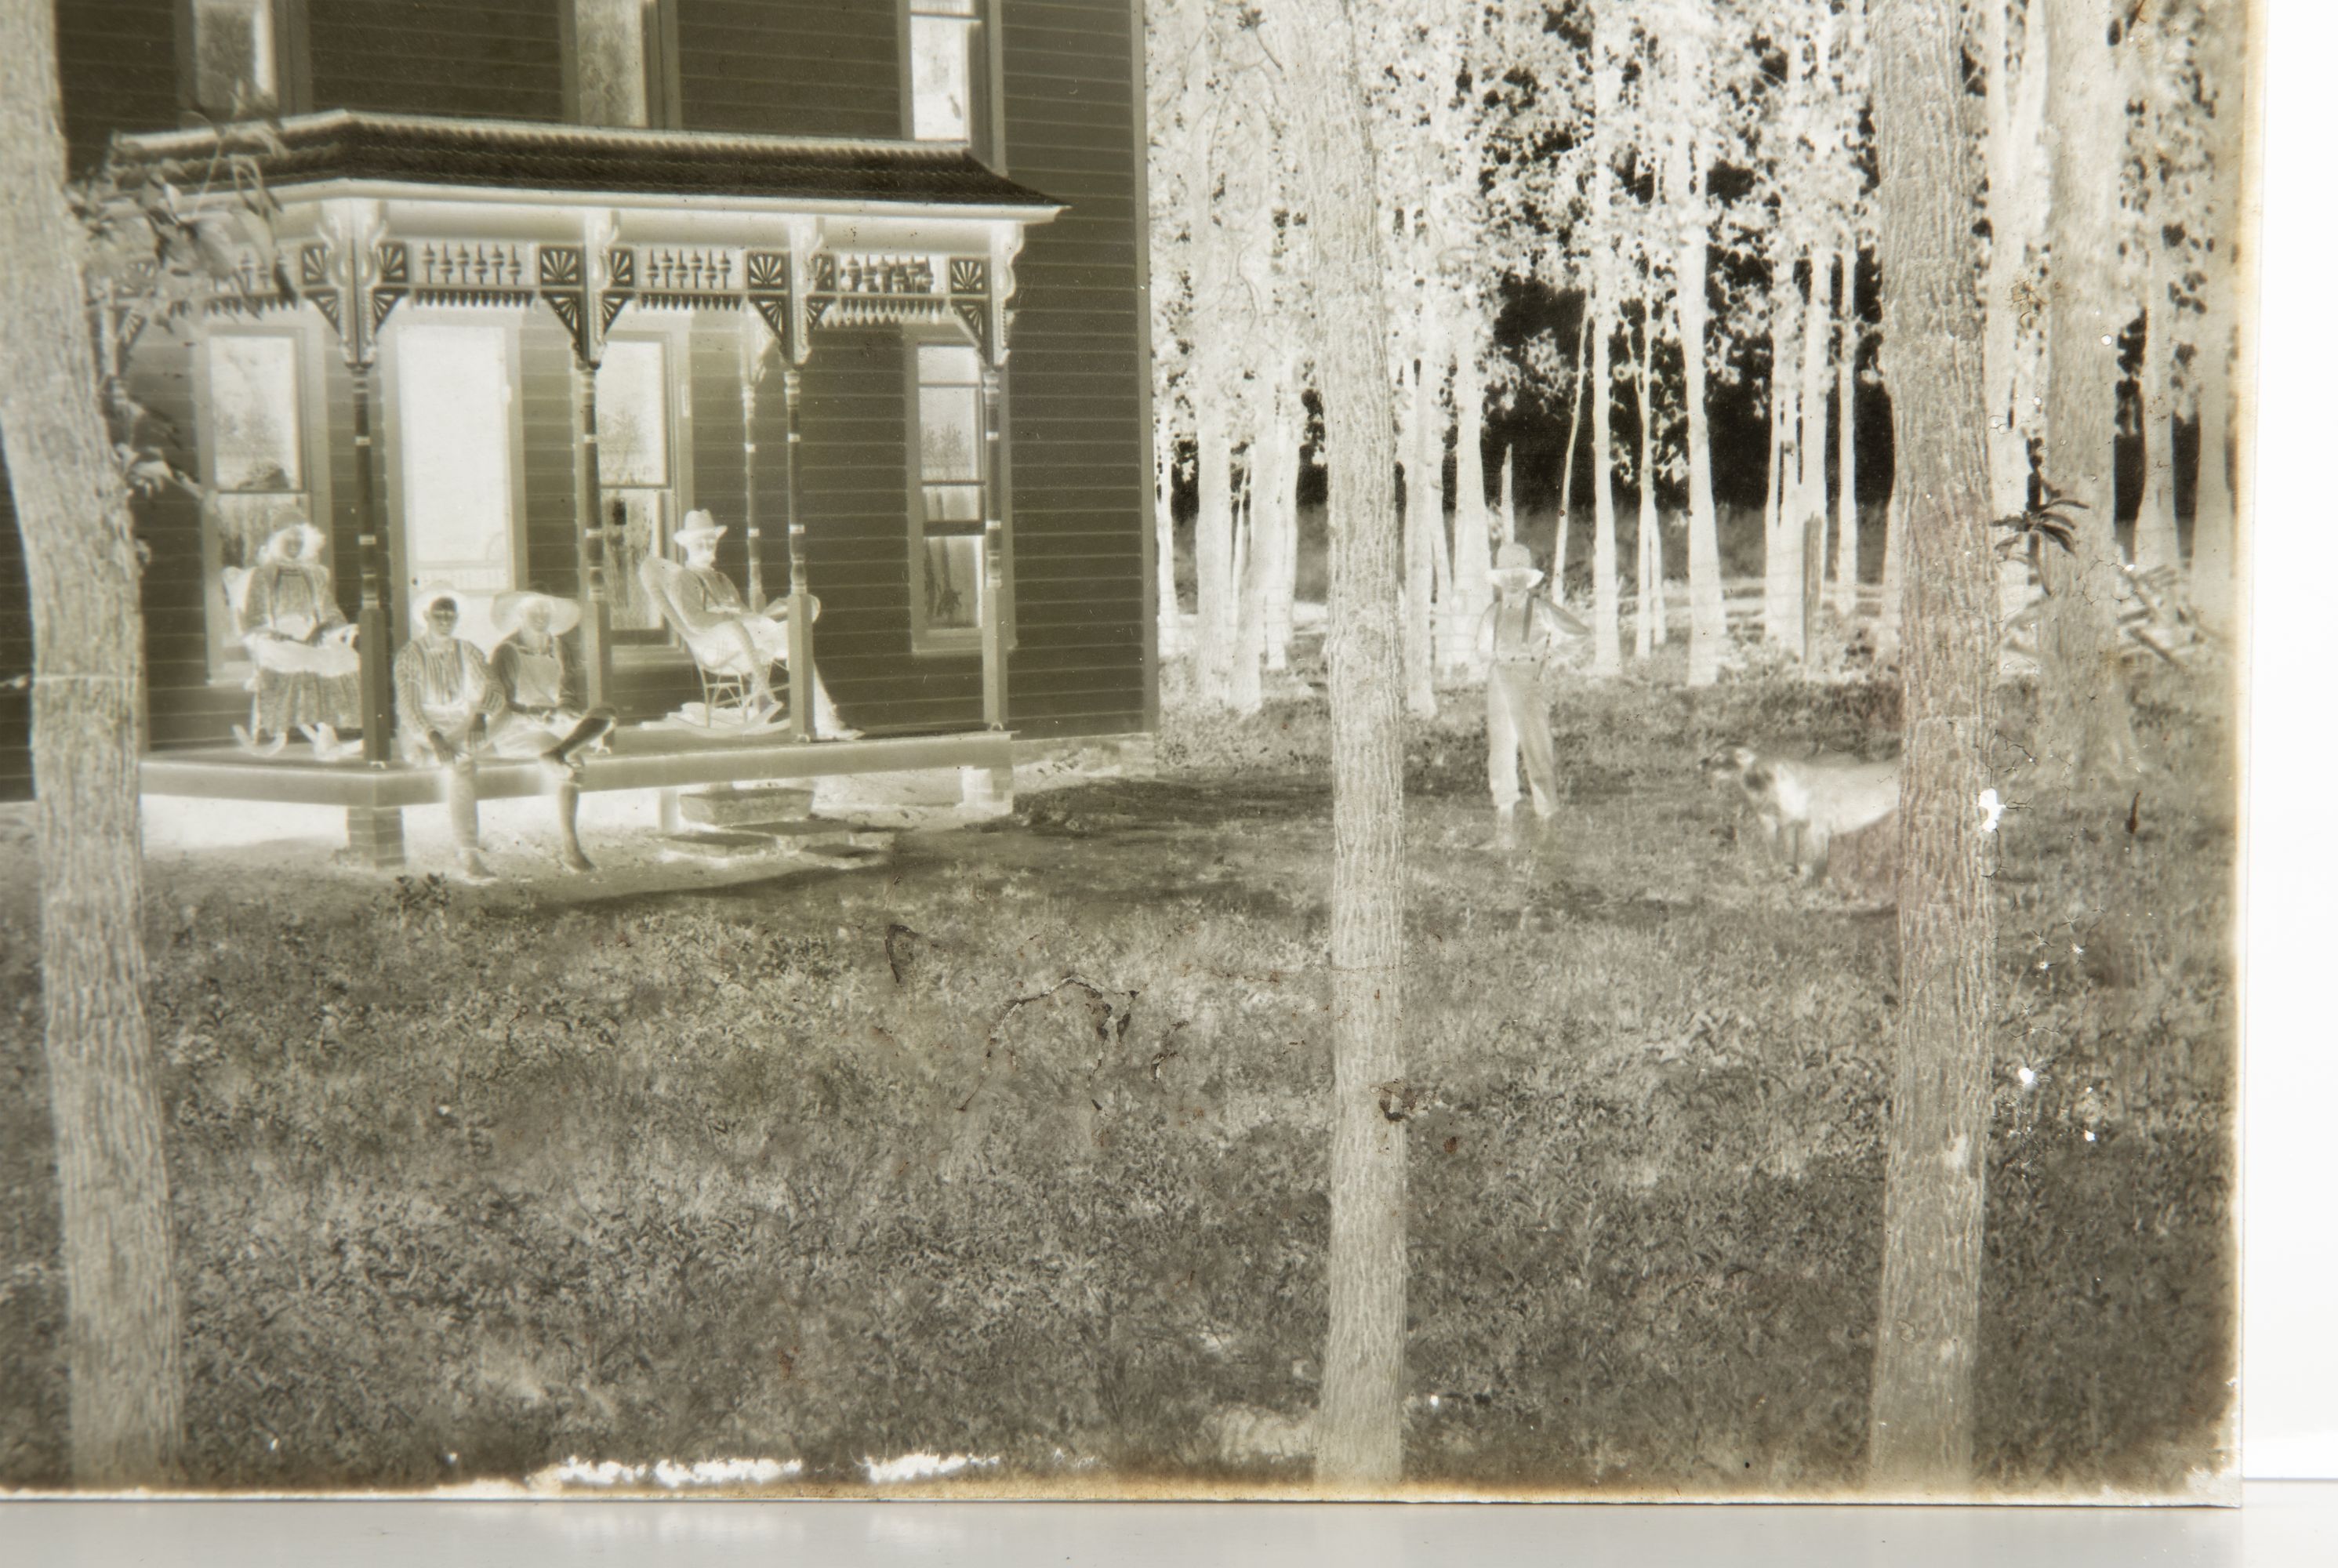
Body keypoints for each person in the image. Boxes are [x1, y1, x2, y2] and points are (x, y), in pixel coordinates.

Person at [394, 589, 605, 879]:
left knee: (499, 722)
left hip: (462, 724)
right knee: (462, 764)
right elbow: (408, 706)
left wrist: (480, 716)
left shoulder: (466, 650)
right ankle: (469, 855)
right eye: (438, 614)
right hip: (424, 727)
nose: (445, 620)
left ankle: (462, 751)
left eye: (450, 615)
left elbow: (493, 688)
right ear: (426, 617)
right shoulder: (410, 655)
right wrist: (434, 738)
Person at [665, 510, 856, 736]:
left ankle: (793, 615)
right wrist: (736, 619)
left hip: (744, 638)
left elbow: (743, 612)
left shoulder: (721, 579)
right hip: (717, 647)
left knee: (794, 625)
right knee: (793, 639)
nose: (707, 548)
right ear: (687, 545)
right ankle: (824, 720)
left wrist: (753, 618)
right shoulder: (683, 579)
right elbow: (694, 621)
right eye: (700, 543)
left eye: (711, 542)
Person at [1473, 542, 1590, 848]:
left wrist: (1549, 659)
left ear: (1528, 578)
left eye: (1519, 574)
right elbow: (1482, 649)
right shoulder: (1493, 612)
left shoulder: (1540, 609)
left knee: (1537, 750)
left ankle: (1547, 834)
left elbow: (1579, 633)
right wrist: (1495, 666)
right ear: (1499, 579)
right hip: (1499, 682)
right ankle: (1505, 833)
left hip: (1528, 681)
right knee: (1500, 752)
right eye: (1507, 574)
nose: (1513, 580)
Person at [238, 518, 361, 753]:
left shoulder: (313, 574)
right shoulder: (264, 575)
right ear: (276, 541)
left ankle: (326, 732)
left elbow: (330, 610)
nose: (294, 543)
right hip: (278, 636)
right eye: (289, 538)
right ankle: (283, 731)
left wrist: (322, 629)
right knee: (298, 659)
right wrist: (274, 632)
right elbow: (255, 616)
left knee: (339, 656)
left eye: (299, 538)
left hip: (311, 634)